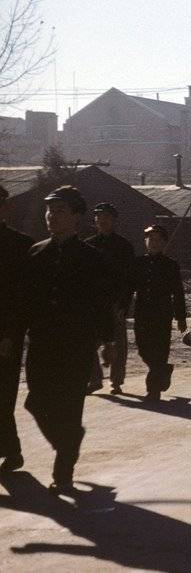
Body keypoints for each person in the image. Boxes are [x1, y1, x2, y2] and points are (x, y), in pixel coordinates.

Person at [3, 186, 113, 493]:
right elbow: (22, 301)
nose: (52, 216)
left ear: (76, 216)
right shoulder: (37, 253)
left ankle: (63, 471)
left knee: (69, 406)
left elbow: (100, 303)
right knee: (34, 402)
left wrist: (108, 342)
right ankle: (69, 441)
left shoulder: (91, 258)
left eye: (60, 211)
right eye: (50, 211)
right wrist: (12, 335)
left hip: (76, 346)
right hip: (40, 344)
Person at [129, 225, 187, 402]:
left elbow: (178, 292)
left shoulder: (170, 265)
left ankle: (153, 390)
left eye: (157, 239)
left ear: (164, 242)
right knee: (143, 349)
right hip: (142, 313)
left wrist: (181, 317)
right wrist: (123, 307)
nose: (153, 243)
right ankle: (163, 369)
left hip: (162, 314)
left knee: (160, 350)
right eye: (150, 239)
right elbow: (129, 287)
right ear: (145, 242)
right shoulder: (138, 263)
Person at [0, 184, 34, 474]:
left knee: (2, 395)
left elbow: (24, 296)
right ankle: (10, 450)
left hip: (5, 335)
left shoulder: (20, 245)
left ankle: (11, 451)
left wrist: (12, 335)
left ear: (5, 209)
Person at [84, 202, 135, 395]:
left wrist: (124, 303)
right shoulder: (88, 244)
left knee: (118, 343)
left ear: (113, 220)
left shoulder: (124, 246)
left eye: (106, 217)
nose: (102, 221)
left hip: (116, 301)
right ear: (95, 221)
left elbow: (129, 278)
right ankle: (95, 378)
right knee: (88, 341)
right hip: (94, 302)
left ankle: (116, 381)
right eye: (99, 218)